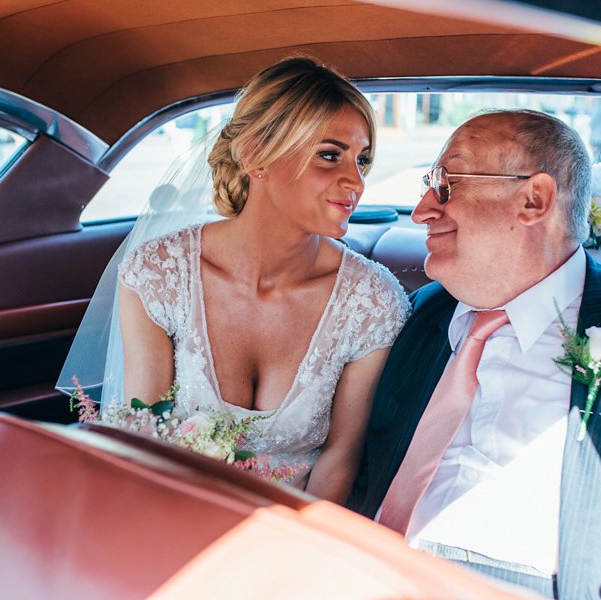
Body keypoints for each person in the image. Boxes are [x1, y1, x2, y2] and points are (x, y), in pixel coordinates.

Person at [347, 109, 601, 599]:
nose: (421, 210)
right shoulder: (412, 315)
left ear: (534, 199)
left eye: (447, 184)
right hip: (371, 570)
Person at [58, 57, 410, 504]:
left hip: (295, 535)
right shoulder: (158, 275)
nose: (355, 181)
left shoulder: (373, 304)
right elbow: (144, 438)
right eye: (329, 155)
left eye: (362, 160)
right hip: (173, 515)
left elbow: (339, 460)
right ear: (255, 155)